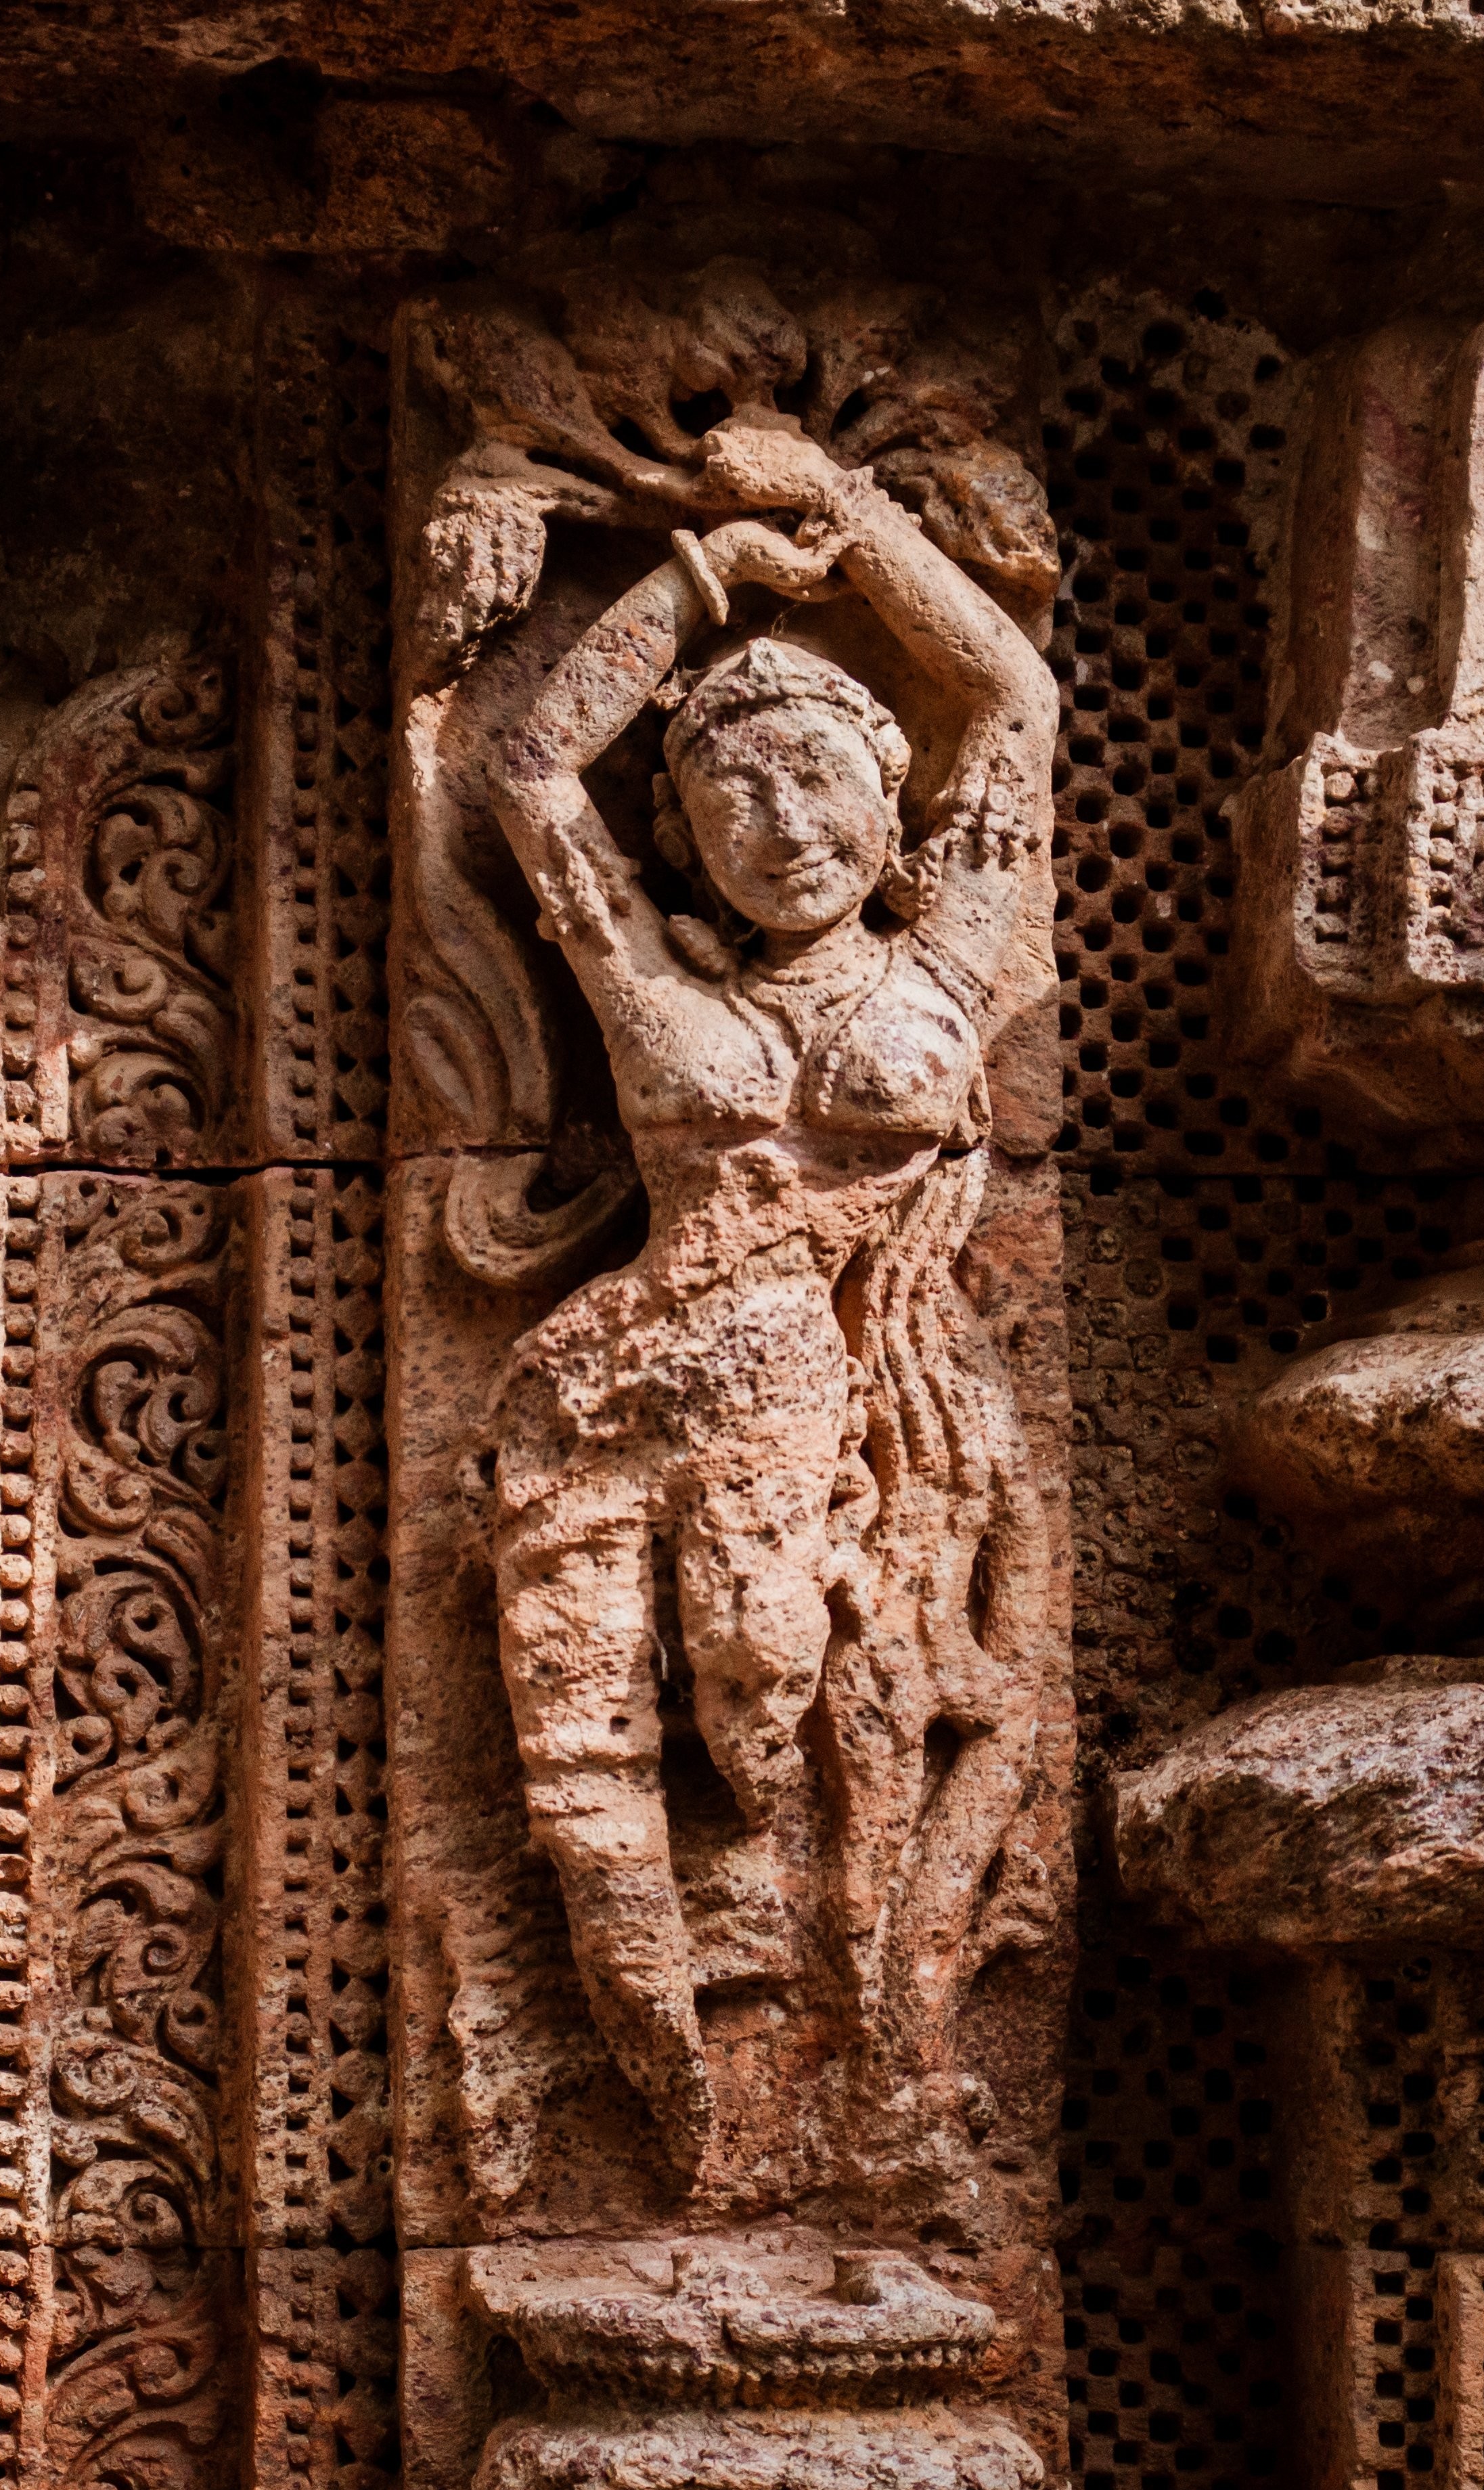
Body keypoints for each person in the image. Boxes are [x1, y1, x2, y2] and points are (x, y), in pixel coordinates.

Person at [476, 412, 1055, 2183]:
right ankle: (678, 2126)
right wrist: (702, 574)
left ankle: (871, 2073)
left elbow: (1016, 702)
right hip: (624, 1390)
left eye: (819, 781)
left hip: (870, 1401)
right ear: (683, 830)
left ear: (894, 807)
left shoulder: (952, 960)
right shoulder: (635, 959)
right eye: (733, 792)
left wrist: (859, 518)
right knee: (590, 1789)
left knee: (784, 1699)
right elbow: (526, 765)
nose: (783, 822)